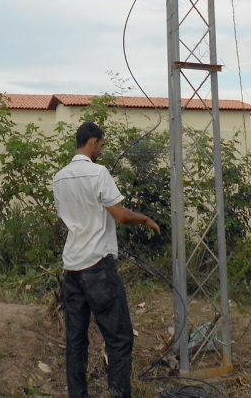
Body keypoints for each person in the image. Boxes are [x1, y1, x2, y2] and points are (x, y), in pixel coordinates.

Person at [53, 121, 161, 398]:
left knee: (76, 341)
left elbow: (67, 222)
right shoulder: (98, 173)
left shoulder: (59, 177)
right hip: (98, 267)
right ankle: (119, 394)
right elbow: (121, 215)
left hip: (72, 268)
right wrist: (145, 219)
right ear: (92, 142)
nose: (101, 149)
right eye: (101, 144)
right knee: (119, 339)